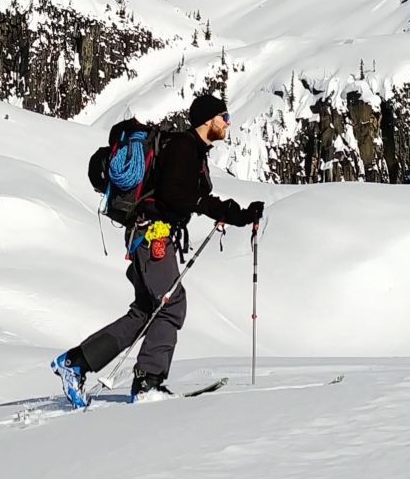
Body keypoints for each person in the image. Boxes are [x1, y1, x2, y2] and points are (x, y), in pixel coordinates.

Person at [53, 93, 263, 402]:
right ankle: (148, 382)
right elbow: (175, 195)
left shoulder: (192, 150)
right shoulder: (184, 147)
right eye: (224, 117)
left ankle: (75, 363)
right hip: (153, 235)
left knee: (146, 311)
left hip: (148, 234)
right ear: (208, 120)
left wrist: (234, 214)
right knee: (170, 305)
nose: (228, 123)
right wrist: (228, 211)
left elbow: (183, 196)